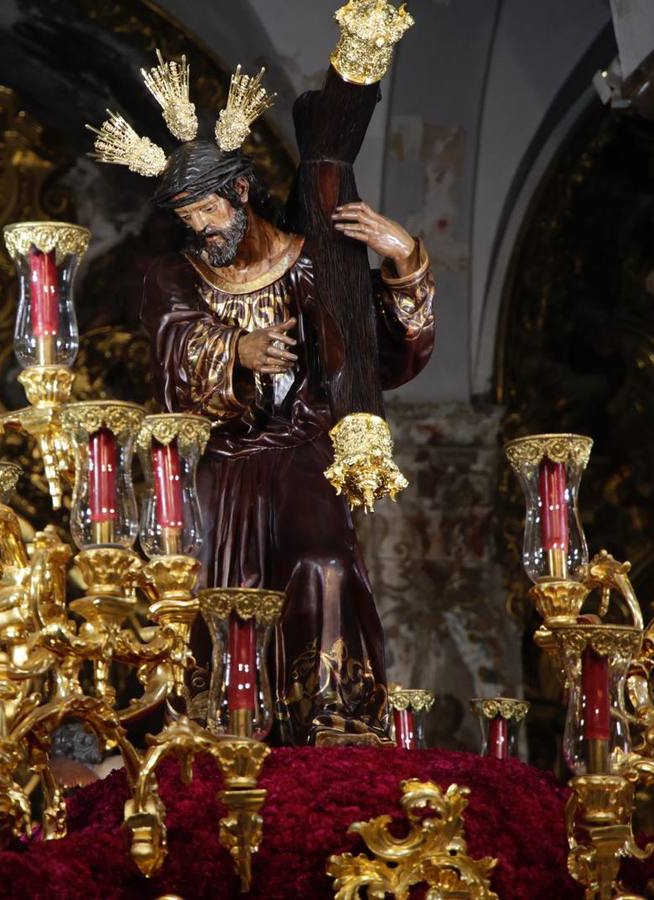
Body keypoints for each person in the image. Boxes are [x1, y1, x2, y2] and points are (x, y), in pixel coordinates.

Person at [98, 37, 435, 743]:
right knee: (213, 594)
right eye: (186, 219)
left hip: (303, 448)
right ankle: (225, 726)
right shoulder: (174, 276)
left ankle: (334, 716)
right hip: (219, 460)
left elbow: (384, 359)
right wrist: (236, 353)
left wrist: (405, 260)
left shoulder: (315, 265)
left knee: (322, 559)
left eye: (208, 213)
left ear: (241, 191)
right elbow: (172, 361)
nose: (200, 230)